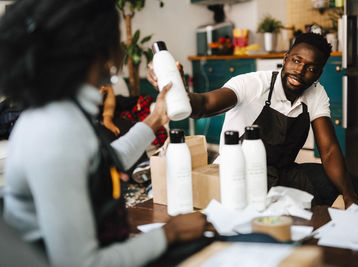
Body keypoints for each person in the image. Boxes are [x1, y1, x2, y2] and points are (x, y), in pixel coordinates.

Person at [0, 1, 206, 266]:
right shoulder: (54, 132)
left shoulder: (64, 111)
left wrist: (155, 118)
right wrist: (170, 232)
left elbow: (102, 160)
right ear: (99, 49)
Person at [147, 33, 358, 208]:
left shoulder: (316, 94)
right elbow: (203, 105)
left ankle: (286, 204)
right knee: (263, 202)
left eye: (311, 68)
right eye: (296, 61)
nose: (300, 71)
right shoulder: (253, 84)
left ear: (319, 73)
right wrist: (179, 89)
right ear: (286, 58)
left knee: (350, 184)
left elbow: (329, 150)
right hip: (240, 173)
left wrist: (350, 199)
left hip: (281, 174)